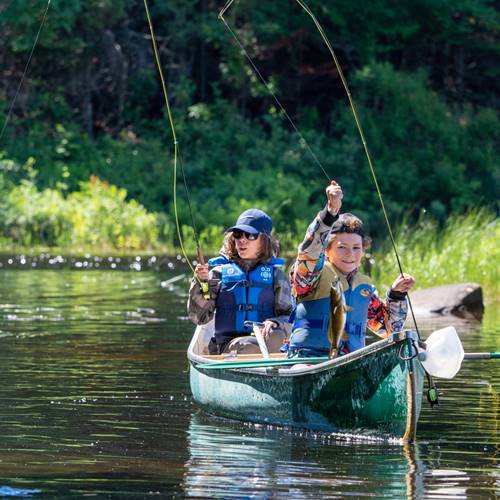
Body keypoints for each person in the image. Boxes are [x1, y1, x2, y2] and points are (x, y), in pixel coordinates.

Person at [287, 181, 415, 358]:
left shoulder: (363, 288)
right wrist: (330, 213)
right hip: (309, 359)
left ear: (363, 250)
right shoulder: (310, 276)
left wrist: (397, 295)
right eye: (342, 247)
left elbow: (390, 329)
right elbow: (309, 250)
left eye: (356, 248)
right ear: (327, 250)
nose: (350, 254)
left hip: (351, 363)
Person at [188, 208, 293, 355]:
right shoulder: (218, 273)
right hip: (228, 346)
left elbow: (290, 317)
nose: (242, 240)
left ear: (264, 240)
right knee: (248, 346)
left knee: (276, 335)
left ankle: (272, 369)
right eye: (238, 234)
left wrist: (277, 322)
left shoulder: (277, 276)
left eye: (250, 235)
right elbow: (198, 317)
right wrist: (200, 284)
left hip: (265, 345)